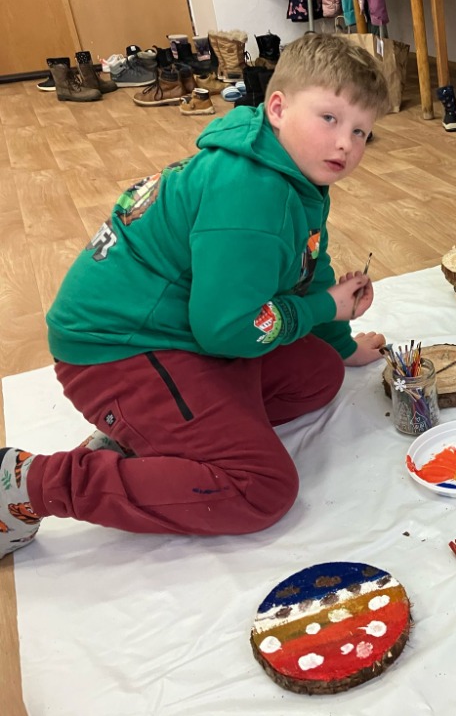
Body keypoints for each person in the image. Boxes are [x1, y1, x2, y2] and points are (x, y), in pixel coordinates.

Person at [0, 33, 391, 558]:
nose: (346, 143)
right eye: (330, 119)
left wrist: (341, 343)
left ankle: (157, 435)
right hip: (118, 352)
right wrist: (326, 308)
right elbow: (228, 330)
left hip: (180, 333)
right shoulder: (250, 193)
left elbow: (309, 266)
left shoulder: (289, 168)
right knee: (261, 489)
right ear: (278, 108)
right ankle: (31, 484)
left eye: (361, 131)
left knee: (319, 373)